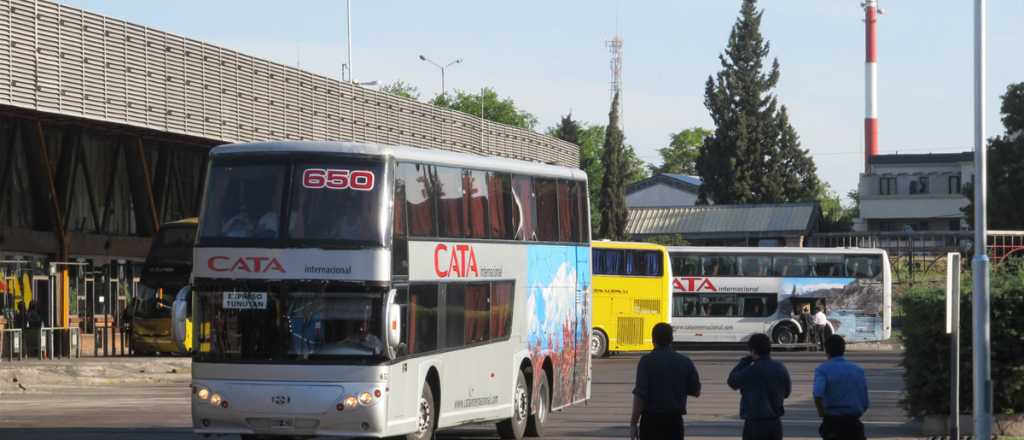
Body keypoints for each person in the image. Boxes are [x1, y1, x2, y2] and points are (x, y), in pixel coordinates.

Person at [630, 322, 701, 440]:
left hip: (650, 423)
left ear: (653, 340)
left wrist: (633, 423)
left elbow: (640, 396)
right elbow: (696, 391)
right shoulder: (685, 361)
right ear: (672, 339)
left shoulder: (646, 362)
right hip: (674, 423)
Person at [728, 333, 792, 440]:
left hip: (755, 423)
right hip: (775, 423)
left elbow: (732, 382)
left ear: (752, 350)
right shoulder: (780, 368)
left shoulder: (750, 370)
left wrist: (743, 362)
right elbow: (787, 393)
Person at [814, 335, 869, 440]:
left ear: (826, 350)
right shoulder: (858, 370)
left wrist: (822, 413)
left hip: (833, 423)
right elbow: (865, 402)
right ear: (844, 349)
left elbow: (817, 394)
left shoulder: (822, 370)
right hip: (854, 424)